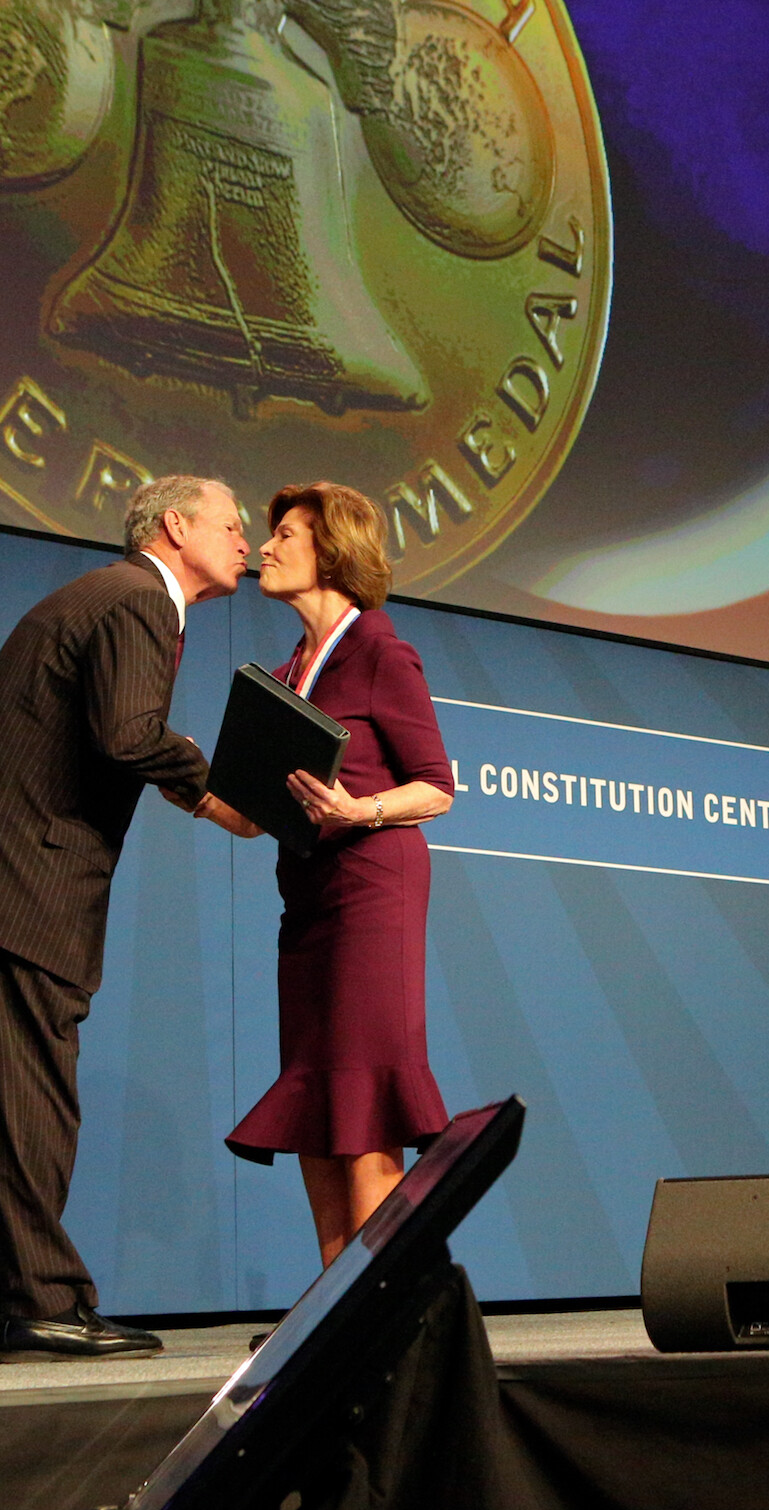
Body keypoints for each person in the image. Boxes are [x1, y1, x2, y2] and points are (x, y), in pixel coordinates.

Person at [0, 475, 261, 1361]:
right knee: (29, 1098)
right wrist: (223, 794)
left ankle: (35, 1302)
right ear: (175, 527)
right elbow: (129, 733)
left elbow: (113, 733)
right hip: (21, 879)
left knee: (19, 1098)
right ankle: (43, 1305)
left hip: (0, 874)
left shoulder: (112, 595)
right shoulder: (140, 598)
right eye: (230, 524)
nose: (245, 542)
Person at [225, 481, 456, 1265]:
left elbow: (437, 788)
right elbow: (250, 815)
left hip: (372, 892)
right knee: (320, 1100)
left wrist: (360, 810)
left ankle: (379, 1300)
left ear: (331, 552)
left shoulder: (382, 652)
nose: (265, 547)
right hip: (308, 902)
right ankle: (334, 1299)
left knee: (364, 1099)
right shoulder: (288, 673)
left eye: (285, 534)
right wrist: (172, 772)